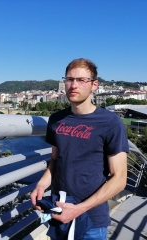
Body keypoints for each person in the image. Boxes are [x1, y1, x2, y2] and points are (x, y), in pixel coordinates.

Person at [30, 58, 129, 239]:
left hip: (91, 218)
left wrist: (79, 209)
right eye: (69, 79)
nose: (73, 85)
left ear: (94, 85)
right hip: (59, 209)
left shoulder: (110, 122)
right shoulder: (56, 120)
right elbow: (55, 160)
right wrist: (42, 184)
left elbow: (120, 178)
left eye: (81, 80)